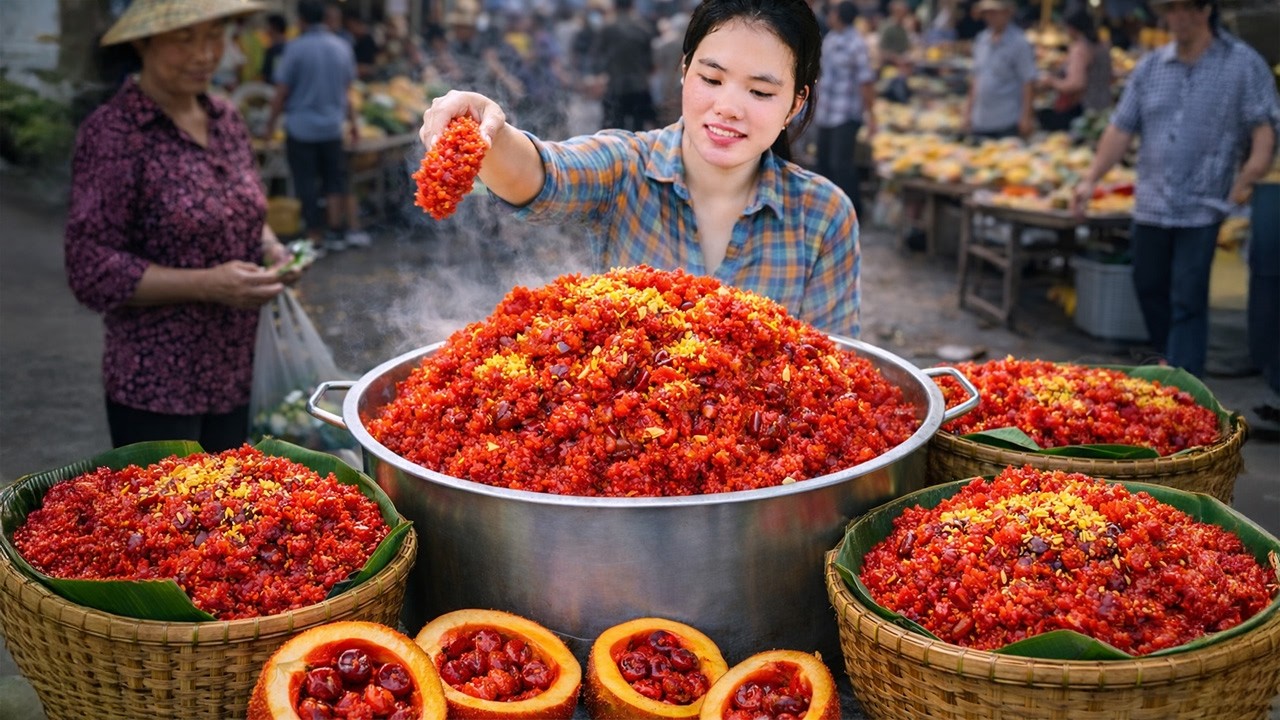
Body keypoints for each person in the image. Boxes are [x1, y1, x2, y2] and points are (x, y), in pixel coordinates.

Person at [418, 0, 860, 338]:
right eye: (711, 79)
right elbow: (541, 174)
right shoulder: (625, 166)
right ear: (685, 72)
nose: (727, 108)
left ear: (795, 104)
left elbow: (834, 369)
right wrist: (486, 130)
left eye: (760, 92)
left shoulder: (822, 214)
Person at [64, 0, 302, 452]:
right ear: (143, 43)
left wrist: (271, 247)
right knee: (168, 516)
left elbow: (244, 209)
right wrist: (207, 285)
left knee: (232, 513)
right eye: (184, 38)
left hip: (234, 370)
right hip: (157, 383)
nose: (204, 54)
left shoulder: (225, 119)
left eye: (214, 35)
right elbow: (90, 265)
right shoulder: (114, 133)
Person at [1072, 0, 1279, 378]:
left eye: (1187, 9)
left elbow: (1263, 125)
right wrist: (1090, 179)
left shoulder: (1242, 63)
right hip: (1151, 200)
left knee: (1188, 297)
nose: (1178, 18)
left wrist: (1249, 176)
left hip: (1204, 204)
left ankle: (1183, 382)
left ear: (1206, 10)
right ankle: (1170, 361)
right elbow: (1120, 128)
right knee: (1148, 285)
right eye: (1171, 10)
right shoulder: (1151, 67)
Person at [265, 0, 370, 251]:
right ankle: (335, 231)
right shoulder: (342, 47)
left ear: (301, 20)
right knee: (333, 180)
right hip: (332, 128)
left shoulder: (295, 49)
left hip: (301, 129)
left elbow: (281, 92)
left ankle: (315, 235)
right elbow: (347, 93)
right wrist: (353, 124)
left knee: (305, 181)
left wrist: (270, 124)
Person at [813, 1, 877, 218]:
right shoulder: (830, 39)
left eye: (833, 12)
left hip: (846, 113)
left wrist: (871, 115)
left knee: (841, 164)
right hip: (826, 112)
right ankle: (827, 209)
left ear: (839, 16)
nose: (829, 15)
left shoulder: (856, 43)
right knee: (822, 162)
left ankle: (852, 210)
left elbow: (865, 81)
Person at [962, 0, 1036, 139]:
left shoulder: (1019, 42)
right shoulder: (981, 39)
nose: (990, 17)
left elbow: (1028, 82)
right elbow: (976, 79)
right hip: (981, 119)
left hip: (1006, 119)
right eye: (987, 13)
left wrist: (1026, 117)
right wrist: (968, 112)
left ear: (1007, 13)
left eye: (994, 13)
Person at [1035, 9, 1113, 132]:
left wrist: (1051, 82)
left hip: (1084, 108)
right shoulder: (1103, 45)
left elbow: (1076, 83)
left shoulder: (1080, 48)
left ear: (1072, 28)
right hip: (1104, 104)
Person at [591, 0, 658, 131]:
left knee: (614, 131)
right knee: (639, 131)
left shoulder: (607, 29)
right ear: (632, 6)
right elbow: (651, 63)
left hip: (615, 87)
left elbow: (597, 57)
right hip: (639, 87)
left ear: (614, 7)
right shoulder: (643, 28)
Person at [260, 13, 288, 84]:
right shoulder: (291, 48)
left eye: (267, 26)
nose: (266, 30)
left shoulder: (272, 51)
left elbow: (265, 75)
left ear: (274, 28)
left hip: (273, 90)